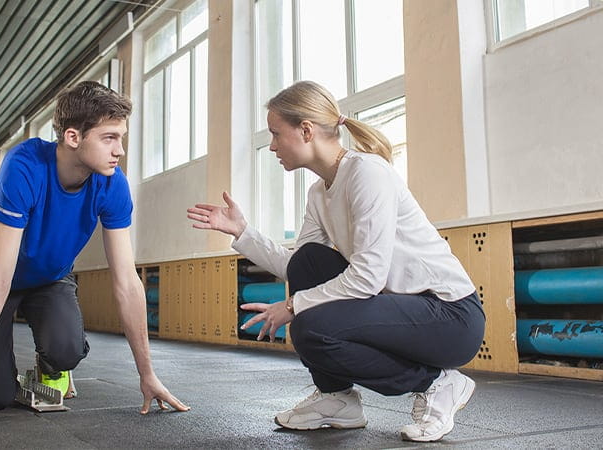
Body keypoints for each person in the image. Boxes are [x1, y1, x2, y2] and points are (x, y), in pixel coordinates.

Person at [187, 81, 485, 442]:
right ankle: (337, 399)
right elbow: (297, 267)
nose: (273, 145)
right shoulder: (318, 192)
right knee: (309, 263)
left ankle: (438, 383)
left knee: (310, 328)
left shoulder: (367, 173)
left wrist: (293, 305)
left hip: (450, 316)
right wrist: (243, 232)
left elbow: (368, 277)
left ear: (306, 130)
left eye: (276, 134)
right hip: (401, 307)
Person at [0, 81, 189, 430]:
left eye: (121, 137)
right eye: (109, 138)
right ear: (73, 137)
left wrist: (148, 374)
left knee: (66, 350)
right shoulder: (24, 165)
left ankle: (49, 365)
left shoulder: (112, 184)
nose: (120, 150)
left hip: (50, 275)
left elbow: (127, 283)